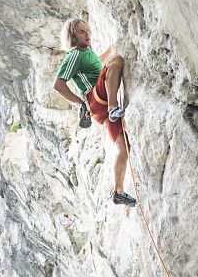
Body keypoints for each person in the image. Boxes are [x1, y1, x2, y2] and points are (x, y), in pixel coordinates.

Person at [53, 18, 137, 206]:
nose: (87, 34)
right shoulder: (73, 54)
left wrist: (109, 49)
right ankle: (113, 106)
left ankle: (119, 191)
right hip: (97, 100)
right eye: (82, 32)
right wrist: (80, 102)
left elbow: (96, 65)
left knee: (124, 148)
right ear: (73, 37)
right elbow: (58, 85)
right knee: (116, 61)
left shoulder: (86, 53)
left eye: (87, 30)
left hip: (101, 113)